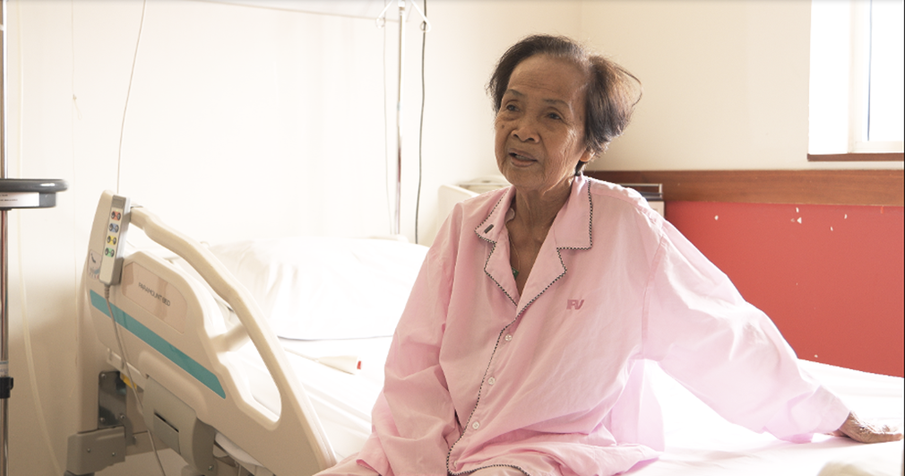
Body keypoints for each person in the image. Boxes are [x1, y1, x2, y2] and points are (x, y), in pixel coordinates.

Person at [317, 34, 902, 476]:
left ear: (589, 146)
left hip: (545, 450)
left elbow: (719, 331)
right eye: (512, 107)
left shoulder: (624, 226)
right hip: (431, 446)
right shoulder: (465, 224)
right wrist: (418, 459)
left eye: (552, 115)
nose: (523, 129)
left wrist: (827, 412)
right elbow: (415, 361)